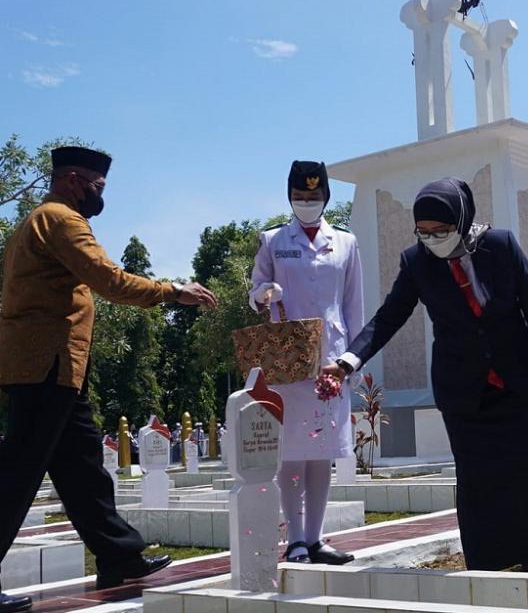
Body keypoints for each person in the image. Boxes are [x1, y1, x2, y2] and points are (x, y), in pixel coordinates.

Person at [0, 146, 218, 609]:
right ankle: (119, 554)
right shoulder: (62, 220)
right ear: (75, 180)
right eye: (98, 188)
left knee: (83, 470)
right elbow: (110, 280)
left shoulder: (37, 219)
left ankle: (119, 555)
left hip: (56, 368)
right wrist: (173, 291)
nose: (101, 197)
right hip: (47, 365)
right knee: (16, 475)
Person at [323, 177, 528, 572]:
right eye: (425, 232)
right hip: (462, 388)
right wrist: (348, 360)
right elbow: (389, 317)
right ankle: (485, 565)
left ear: (463, 221)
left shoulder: (501, 246)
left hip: (515, 380)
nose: (433, 239)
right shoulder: (416, 262)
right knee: (475, 480)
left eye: (442, 231)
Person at [248, 160, 363, 565]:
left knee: (323, 449)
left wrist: (354, 358)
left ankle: (316, 538)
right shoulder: (273, 240)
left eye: (314, 197)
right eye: (299, 197)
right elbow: (255, 288)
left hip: (331, 358)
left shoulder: (346, 242)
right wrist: (264, 293)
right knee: (293, 449)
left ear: (326, 197)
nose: (307, 203)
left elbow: (353, 305)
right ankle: (295, 539)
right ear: (289, 197)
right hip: (289, 359)